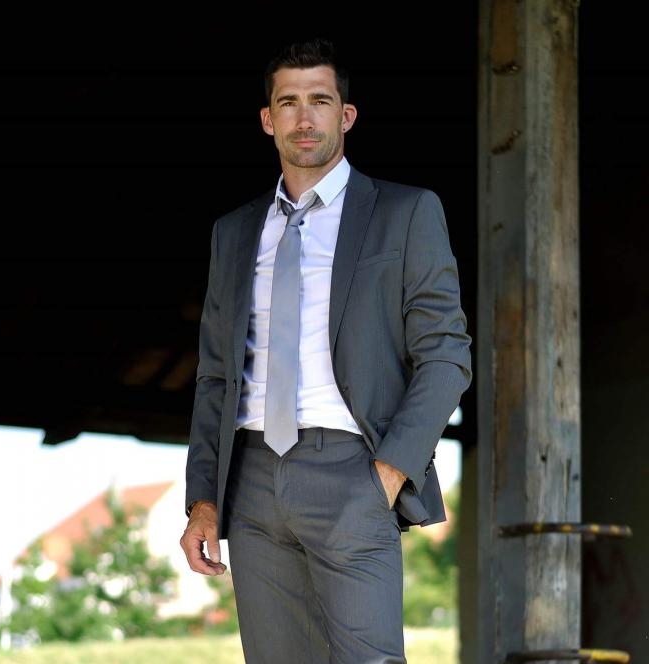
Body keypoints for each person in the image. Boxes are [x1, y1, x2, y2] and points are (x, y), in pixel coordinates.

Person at [180, 37, 472, 664]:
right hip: (251, 482)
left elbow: (446, 354)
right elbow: (215, 377)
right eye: (288, 102)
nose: (304, 117)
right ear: (268, 119)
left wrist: (390, 472)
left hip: (353, 470)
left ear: (347, 115)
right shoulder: (234, 232)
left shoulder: (405, 212)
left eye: (320, 100)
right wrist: (203, 500)